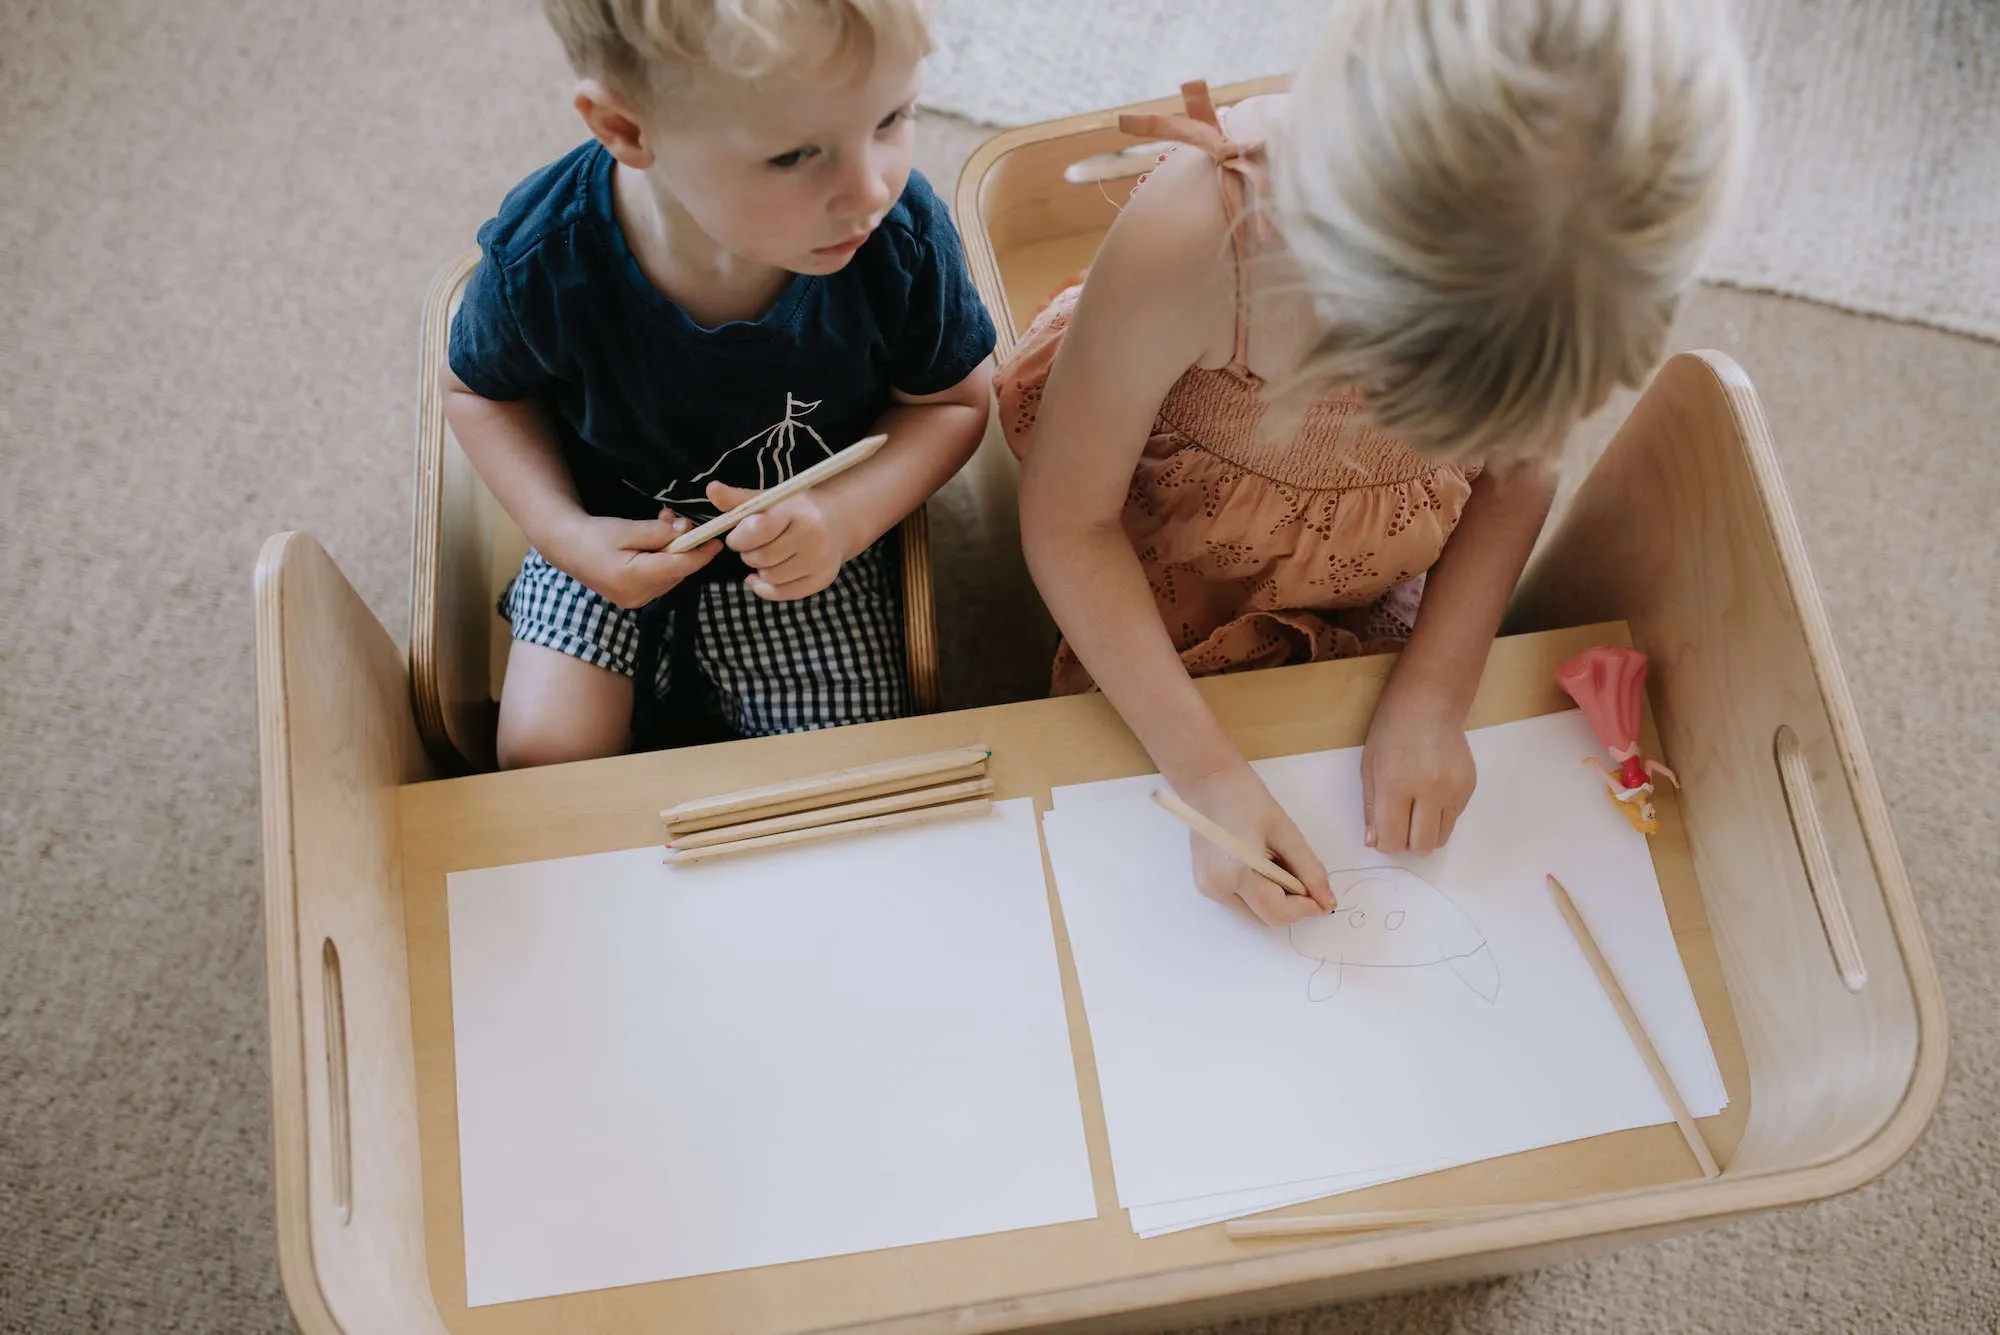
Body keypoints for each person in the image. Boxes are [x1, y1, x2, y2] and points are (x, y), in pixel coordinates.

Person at [999, 0, 1745, 924]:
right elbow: (1072, 522)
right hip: (1162, 559)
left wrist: (1436, 692)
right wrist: (1205, 776)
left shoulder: (1551, 284)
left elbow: (1519, 472)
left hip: (1366, 565)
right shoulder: (1194, 237)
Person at [445, 0, 995, 767]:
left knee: (849, 782)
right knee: (544, 762)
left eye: (893, 117)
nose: (870, 189)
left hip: (807, 554)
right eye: (796, 155)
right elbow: (478, 394)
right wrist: (564, 533)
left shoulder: (897, 239)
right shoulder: (544, 256)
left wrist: (841, 521)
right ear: (627, 130)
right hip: (608, 536)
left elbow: (955, 402)